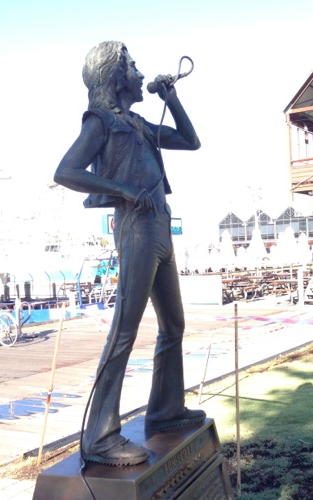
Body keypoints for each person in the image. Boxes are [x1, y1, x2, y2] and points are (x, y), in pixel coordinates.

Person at [54, 41, 204, 467]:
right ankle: (100, 437)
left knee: (174, 323)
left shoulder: (138, 123)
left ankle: (166, 409)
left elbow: (191, 141)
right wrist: (125, 191)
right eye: (133, 66)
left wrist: (172, 99)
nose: (141, 73)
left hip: (160, 227)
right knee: (124, 329)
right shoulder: (100, 122)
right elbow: (65, 172)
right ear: (118, 77)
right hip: (136, 226)